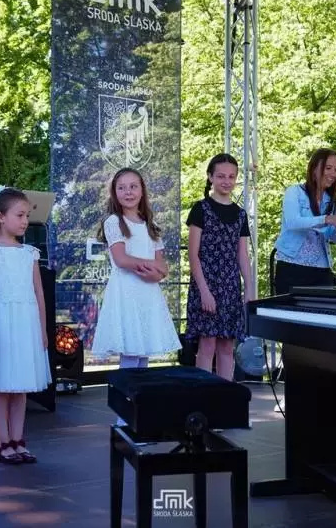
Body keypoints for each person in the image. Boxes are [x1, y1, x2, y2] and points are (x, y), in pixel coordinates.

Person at [91, 168, 182, 421]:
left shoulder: (150, 225)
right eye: (122, 187)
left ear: (142, 190)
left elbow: (163, 267)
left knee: (142, 358)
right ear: (114, 192)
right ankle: (123, 419)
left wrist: (156, 274)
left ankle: (138, 417)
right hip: (127, 293)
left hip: (147, 294)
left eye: (133, 186)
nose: (128, 192)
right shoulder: (114, 222)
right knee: (130, 355)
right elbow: (121, 259)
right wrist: (152, 267)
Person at [0, 186, 52, 465]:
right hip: (0, 323)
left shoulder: (30, 253)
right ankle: (2, 442)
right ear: (1, 217)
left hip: (25, 323)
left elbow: (38, 292)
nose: (25, 221)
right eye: (20, 215)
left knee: (20, 385)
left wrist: (42, 329)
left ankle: (18, 440)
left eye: (27, 215)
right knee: (1, 384)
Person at [185, 153, 254, 381]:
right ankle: (203, 394)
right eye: (221, 176)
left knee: (227, 346)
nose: (226, 181)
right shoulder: (200, 209)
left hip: (230, 287)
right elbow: (193, 255)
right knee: (207, 345)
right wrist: (204, 291)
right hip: (206, 284)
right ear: (210, 177)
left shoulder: (241, 214)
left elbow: (242, 255)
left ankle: (225, 394)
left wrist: (249, 288)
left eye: (231, 176)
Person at [273, 148, 336, 295]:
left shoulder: (331, 202)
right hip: (291, 266)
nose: (333, 174)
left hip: (322, 270)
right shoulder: (294, 192)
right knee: (290, 310)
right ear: (314, 168)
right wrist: (328, 219)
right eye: (328, 168)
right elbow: (293, 222)